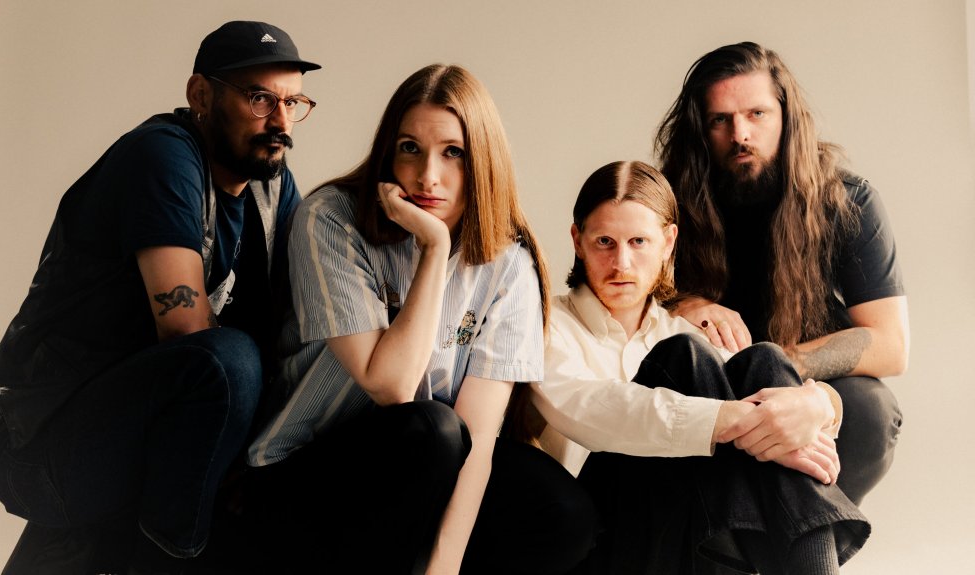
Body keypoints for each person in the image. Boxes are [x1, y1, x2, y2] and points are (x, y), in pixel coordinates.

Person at [0, 20, 319, 574]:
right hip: (38, 447)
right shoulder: (163, 155)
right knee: (228, 363)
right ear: (200, 95)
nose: (280, 121)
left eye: (293, 102)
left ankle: (87, 551)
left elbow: (294, 328)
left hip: (129, 436)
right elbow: (186, 332)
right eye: (259, 99)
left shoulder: (271, 190)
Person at [228, 64, 596, 575]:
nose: (428, 176)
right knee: (430, 430)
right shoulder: (331, 219)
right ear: (388, 152)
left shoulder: (510, 264)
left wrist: (444, 565)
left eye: (453, 153)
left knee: (561, 512)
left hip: (426, 471)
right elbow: (392, 385)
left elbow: (477, 437)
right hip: (297, 478)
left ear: (482, 159)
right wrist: (434, 248)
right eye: (410, 148)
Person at [533, 161, 870, 575]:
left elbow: (778, 403)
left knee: (763, 359)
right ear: (578, 241)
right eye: (605, 242)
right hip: (600, 541)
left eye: (639, 241)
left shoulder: (686, 329)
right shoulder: (547, 324)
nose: (621, 262)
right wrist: (733, 418)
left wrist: (819, 405)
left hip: (688, 539)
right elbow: (590, 409)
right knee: (685, 357)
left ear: (668, 243)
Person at [655, 41, 907, 505]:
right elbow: (620, 291)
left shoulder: (848, 200)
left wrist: (784, 373)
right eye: (720, 120)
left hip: (806, 380)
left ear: (786, 117)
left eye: (757, 114)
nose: (740, 134)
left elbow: (890, 344)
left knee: (871, 411)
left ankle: (804, 536)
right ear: (700, 130)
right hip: (710, 386)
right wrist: (685, 304)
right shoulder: (669, 200)